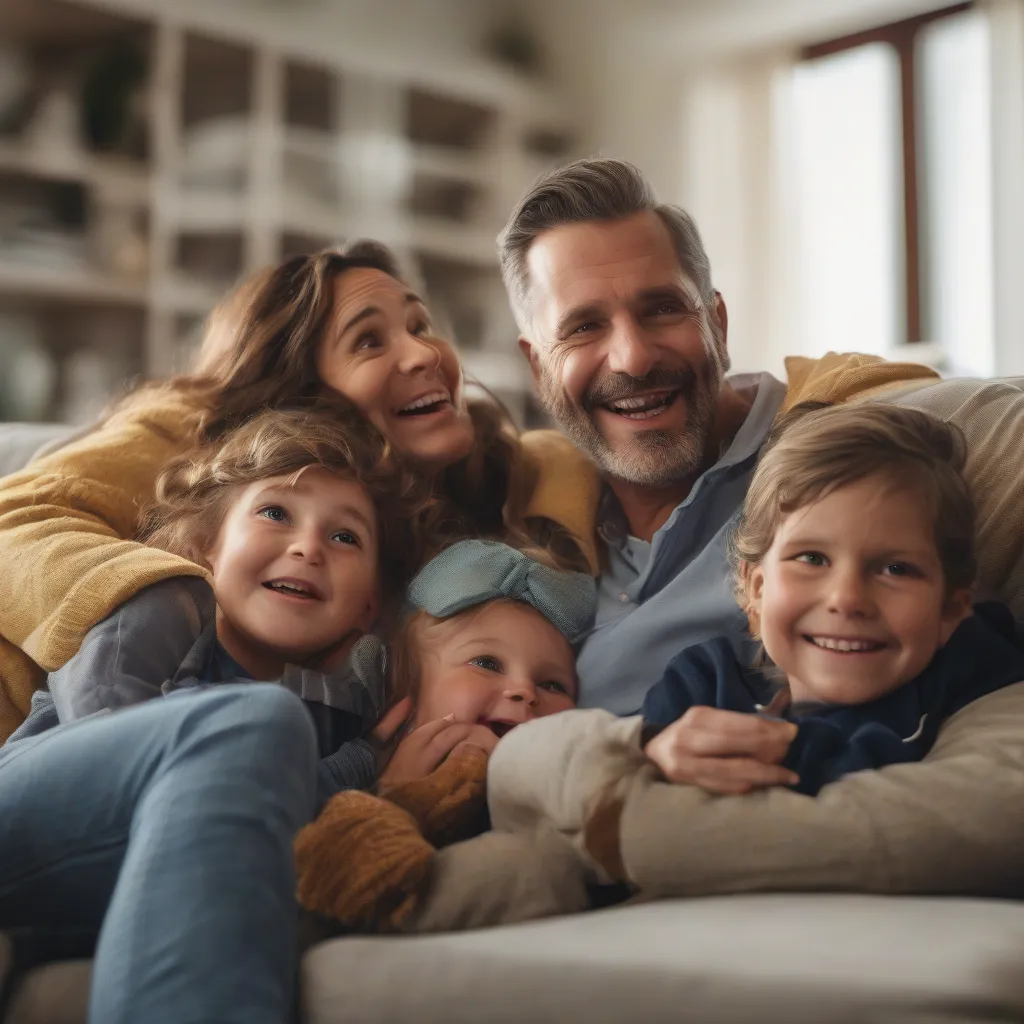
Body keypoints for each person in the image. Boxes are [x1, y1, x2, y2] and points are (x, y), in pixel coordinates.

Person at [484, 156, 1024, 899]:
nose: (633, 356)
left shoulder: (844, 472)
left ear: (717, 319)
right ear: (536, 364)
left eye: (662, 309)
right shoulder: (524, 516)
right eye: (583, 326)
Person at [0, 241, 600, 744]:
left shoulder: (486, 475)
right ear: (300, 388)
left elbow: (554, 467)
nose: (422, 353)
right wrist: (161, 600)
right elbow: (15, 522)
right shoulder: (197, 432)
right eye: (369, 341)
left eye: (420, 325)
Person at [8, 402, 429, 805]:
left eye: (345, 537)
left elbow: (264, 821)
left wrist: (372, 768)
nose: (308, 549)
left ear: (369, 606)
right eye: (276, 514)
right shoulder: (165, 604)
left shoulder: (340, 712)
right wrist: (353, 772)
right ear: (205, 544)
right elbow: (109, 750)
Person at [640, 403, 1024, 796]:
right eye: (811, 558)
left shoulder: (969, 670)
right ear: (757, 591)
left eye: (896, 569)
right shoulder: (701, 683)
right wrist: (651, 757)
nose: (847, 599)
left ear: (950, 609)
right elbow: (624, 795)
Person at [292, 539, 597, 933]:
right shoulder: (340, 757)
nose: (525, 690)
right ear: (405, 689)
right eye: (487, 663)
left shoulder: (560, 797)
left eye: (554, 684)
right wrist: (392, 792)